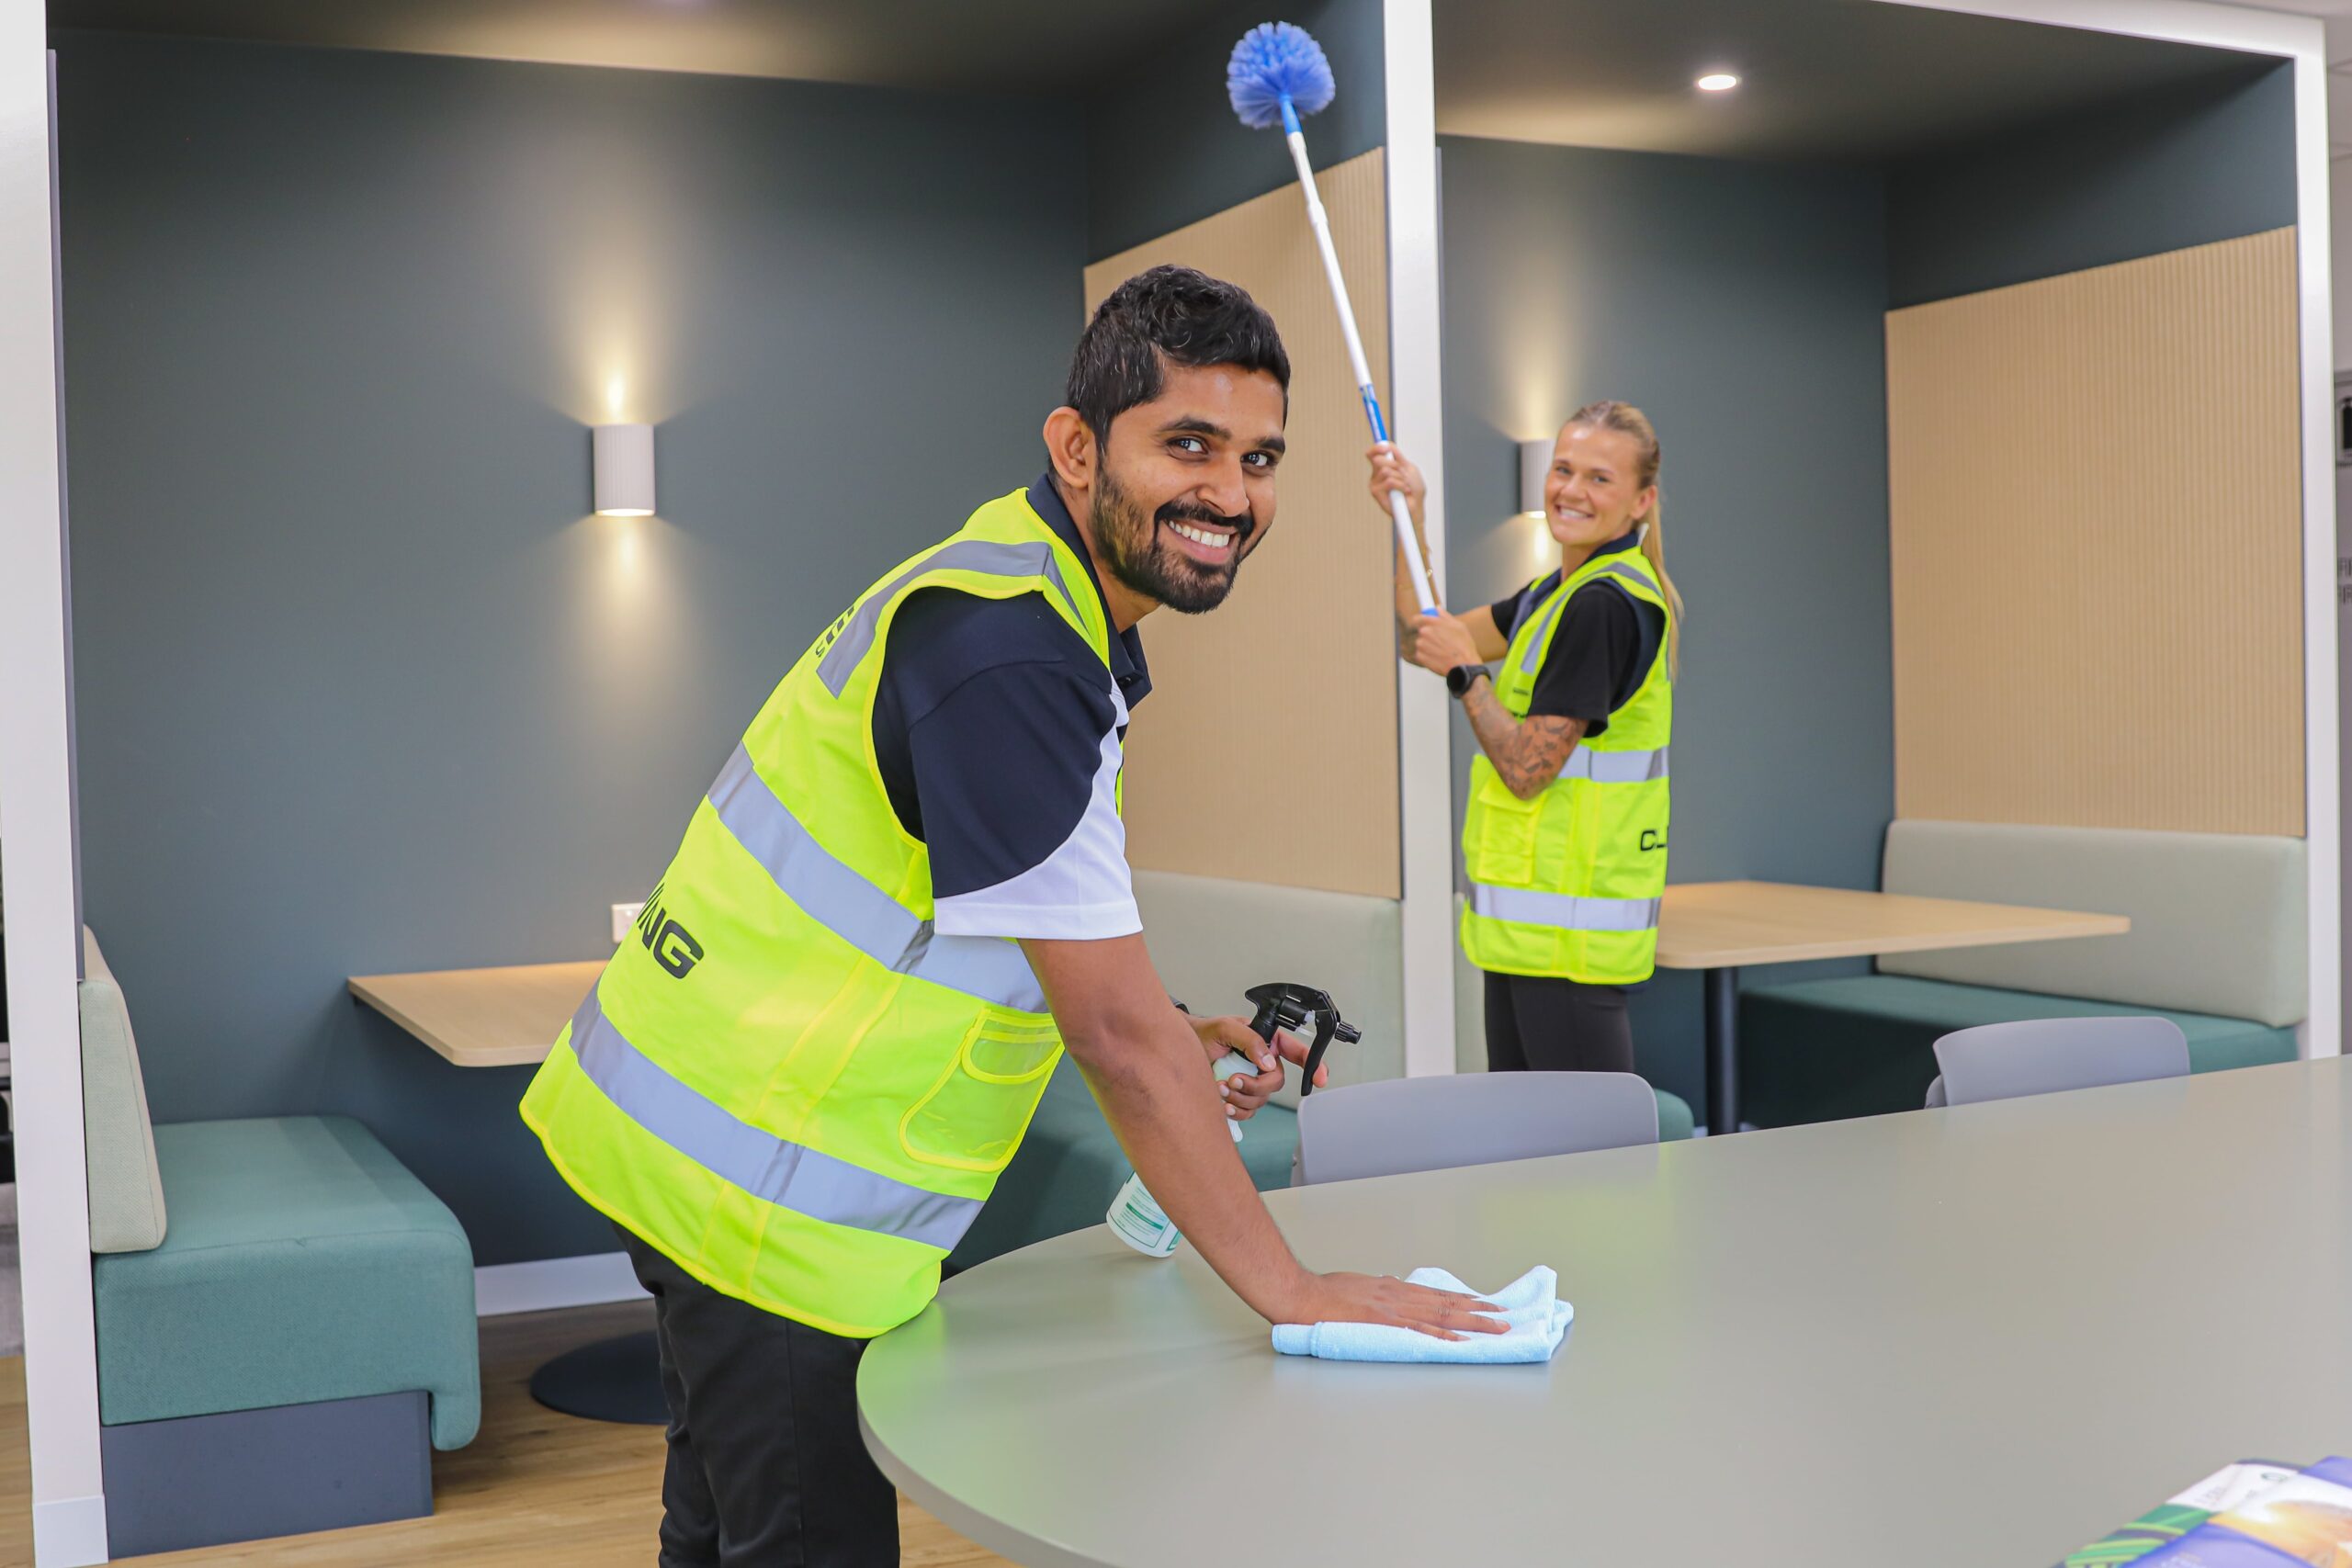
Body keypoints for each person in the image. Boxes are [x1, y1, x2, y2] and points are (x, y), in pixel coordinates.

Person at [523, 265, 1503, 1568]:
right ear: (1077, 443)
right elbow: (1106, 1026)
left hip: (699, 1144)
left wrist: (1168, 1020)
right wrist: (1293, 1284)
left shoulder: (1029, 594)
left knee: (713, 1523)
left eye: (1261, 457)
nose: (1232, 493)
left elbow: (1040, 942)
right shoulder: (1012, 648)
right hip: (760, 1199)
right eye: (1190, 444)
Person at [1368, 400, 1683, 1077]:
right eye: (1563, 469)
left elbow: (1525, 768)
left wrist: (1464, 672)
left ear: (1640, 501)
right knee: (1529, 1162)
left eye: (1600, 478)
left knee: (1585, 1172)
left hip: (1571, 953)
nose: (1571, 489)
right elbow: (1419, 635)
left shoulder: (1604, 604)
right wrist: (1409, 518)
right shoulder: (1556, 593)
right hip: (1525, 941)